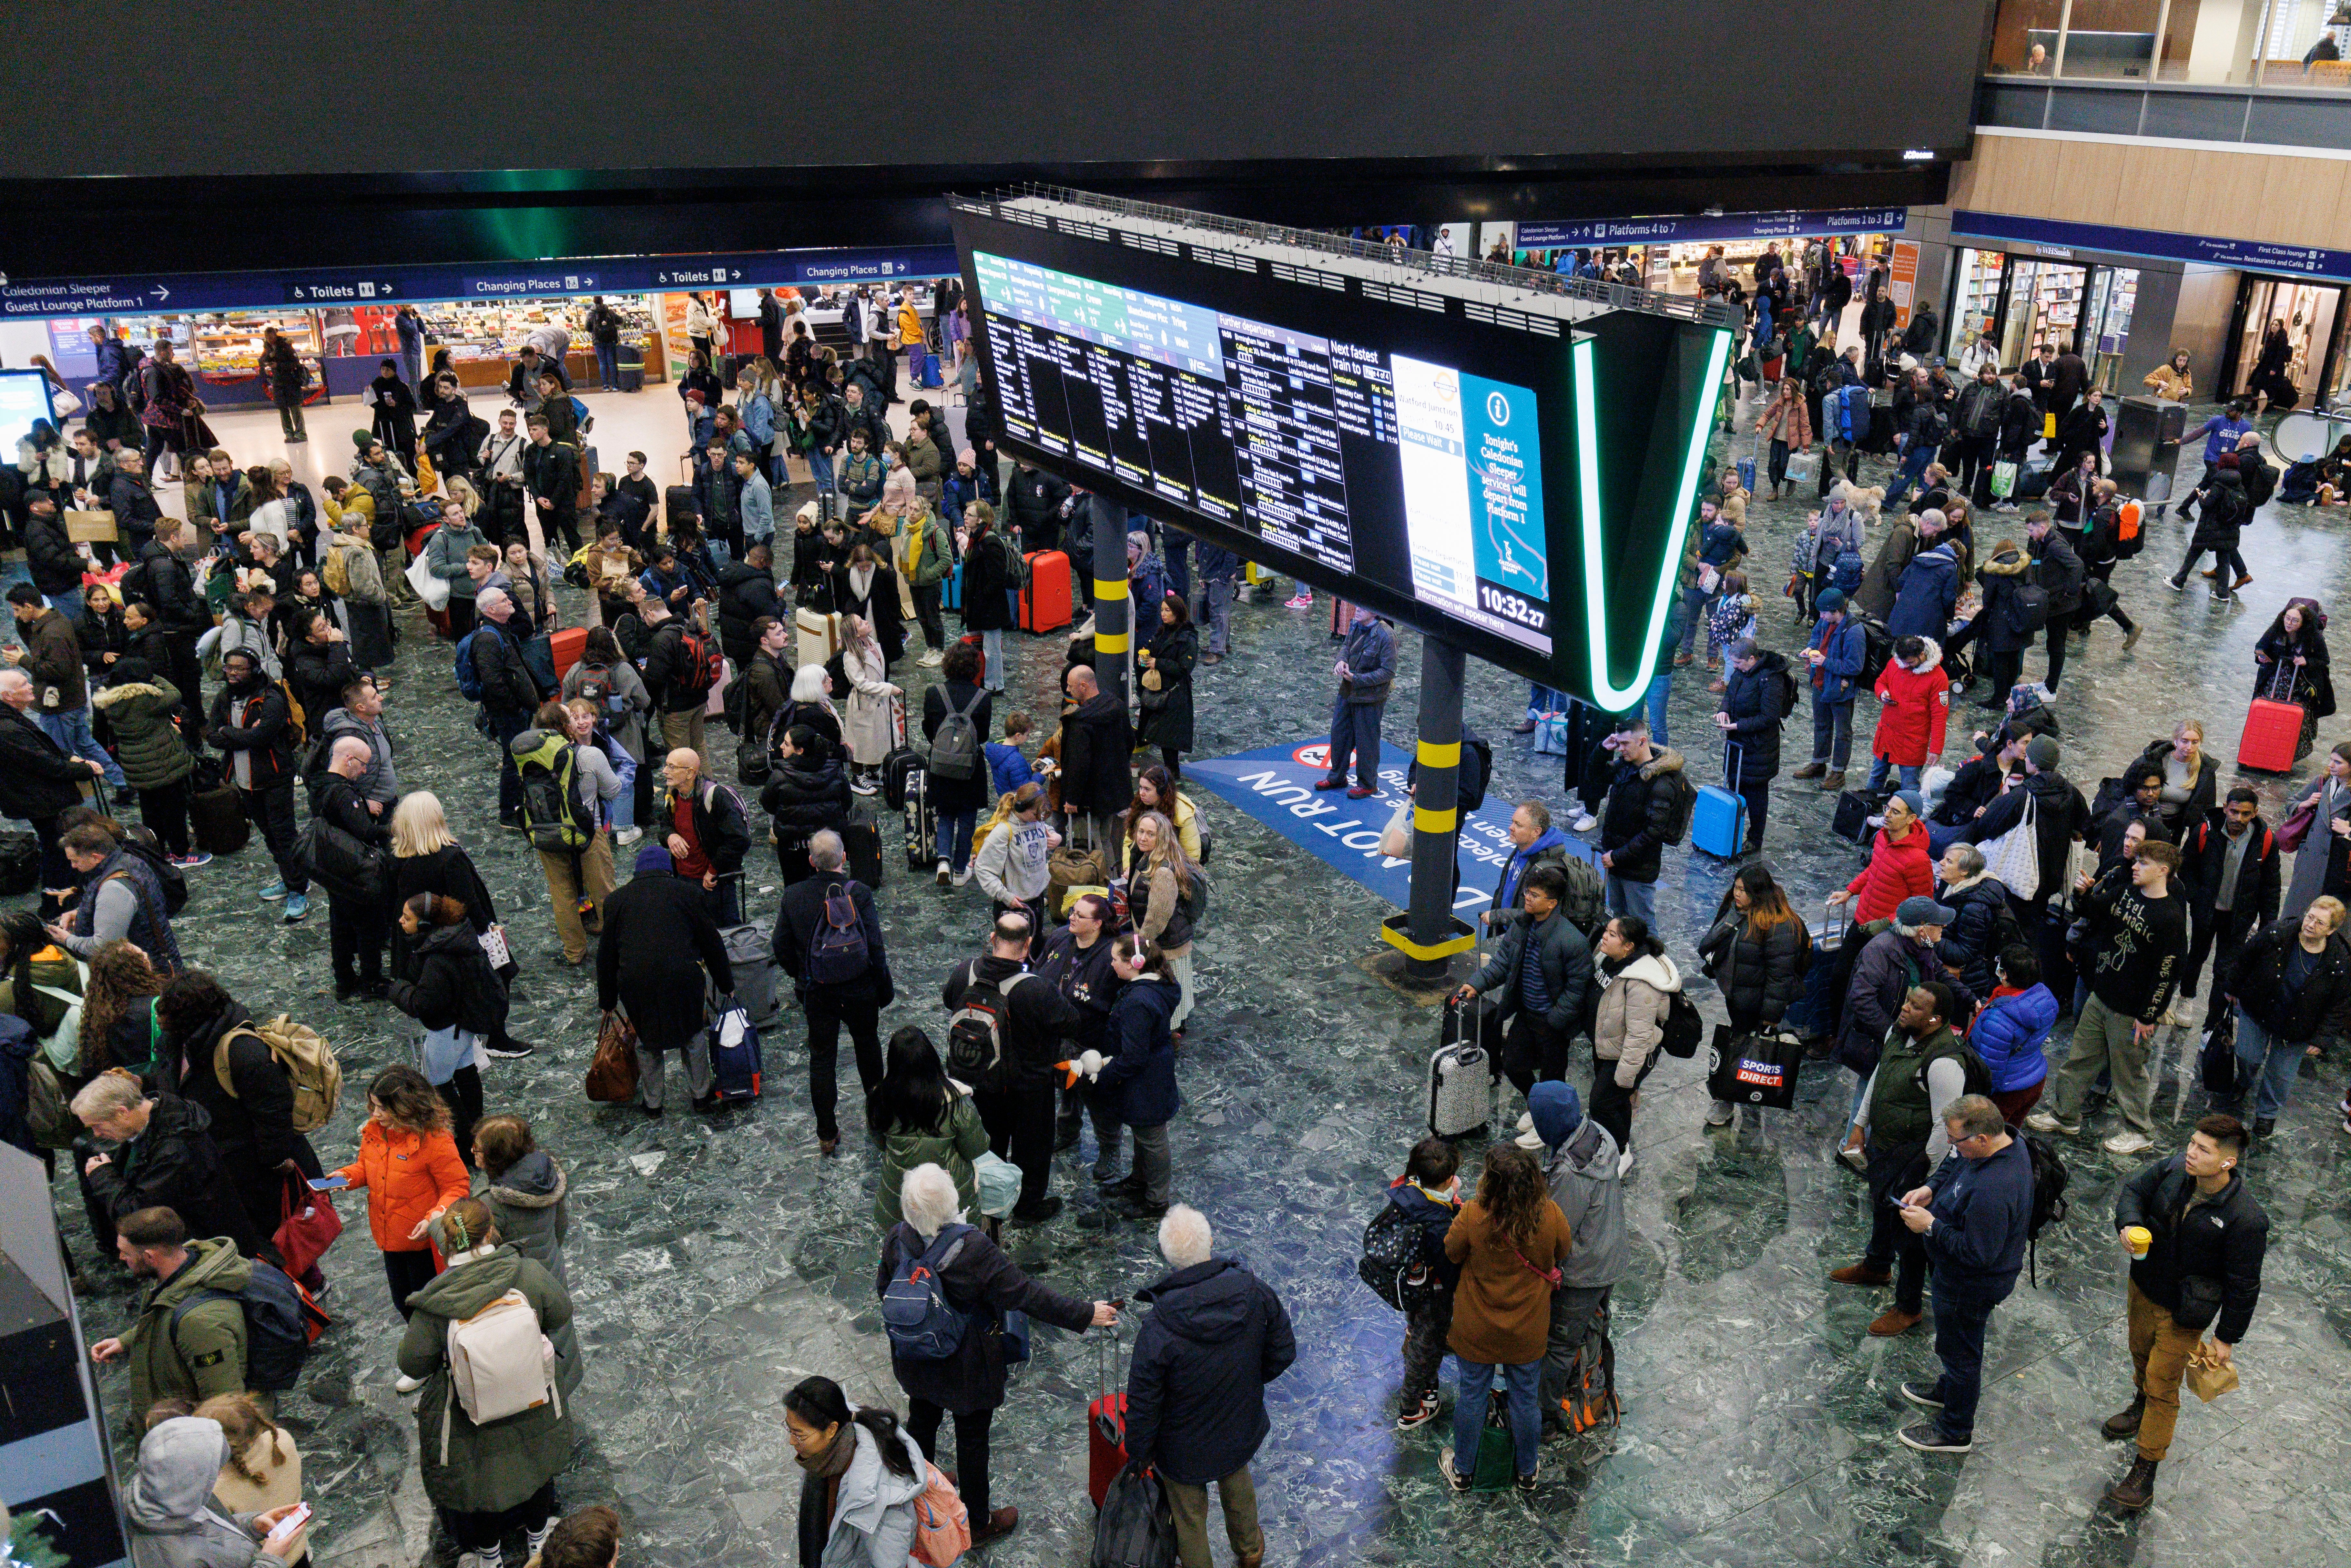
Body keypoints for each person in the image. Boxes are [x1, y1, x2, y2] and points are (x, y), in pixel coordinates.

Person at [876, 1164, 1116, 1550]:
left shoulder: (897, 1238)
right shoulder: (972, 1249)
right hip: (966, 1367)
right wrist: (1087, 1313)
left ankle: (921, 1486)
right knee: (972, 1440)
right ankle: (979, 1523)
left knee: (922, 1419)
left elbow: (884, 1290)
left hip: (915, 1359)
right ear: (951, 1200)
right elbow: (1027, 1295)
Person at [2100, 1114, 2267, 1509]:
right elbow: (2134, 1192)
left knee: (2164, 1385)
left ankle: (2146, 1469)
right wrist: (2129, 1223)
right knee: (2140, 1354)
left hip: (2184, 1312)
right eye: (2192, 1143)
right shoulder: (2176, 1167)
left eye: (2203, 1149)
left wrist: (2225, 1337)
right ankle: (2140, 1403)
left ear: (2228, 1162)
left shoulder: (2246, 1218)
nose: (2191, 1152)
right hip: (2143, 1287)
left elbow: (2245, 1284)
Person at [399, 1198, 574, 1568]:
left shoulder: (438, 1300)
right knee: (539, 1470)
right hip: (534, 1399)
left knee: (481, 1487)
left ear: (448, 1242)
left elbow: (411, 1362)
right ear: (492, 1230)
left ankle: (490, 1559)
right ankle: (538, 1542)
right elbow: (560, 1312)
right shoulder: (527, 1272)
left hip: (471, 1416)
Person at [1123, 1204, 1294, 1564]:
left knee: (1189, 1520)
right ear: (1211, 1242)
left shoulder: (1159, 1327)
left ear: (1169, 1257)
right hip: (1238, 1424)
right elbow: (1283, 1349)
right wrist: (1249, 1380)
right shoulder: (1253, 1290)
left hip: (1182, 1445)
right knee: (1238, 1484)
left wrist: (1140, 1453)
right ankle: (1250, 1552)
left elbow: (1144, 1401)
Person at [1878, 1093, 2036, 1455]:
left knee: (1963, 1354)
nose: (1951, 1145)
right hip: (1955, 1274)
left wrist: (1930, 1226)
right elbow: (1954, 1165)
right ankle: (1947, 1390)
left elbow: (1979, 1254)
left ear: (1981, 1138)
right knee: (1954, 1346)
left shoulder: (1996, 1188)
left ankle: (1955, 1430)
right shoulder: (1997, 1142)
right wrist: (1931, 1188)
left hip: (1971, 1285)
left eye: (1956, 1140)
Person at [1828, 980, 1978, 1341]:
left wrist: (1931, 1179)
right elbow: (1879, 1079)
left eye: (1916, 1006)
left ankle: (1909, 1307)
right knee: (1881, 1208)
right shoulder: (1899, 1034)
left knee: (1912, 1236)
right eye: (1908, 1001)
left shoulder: (1944, 1063)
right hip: (1885, 1147)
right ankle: (1877, 1265)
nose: (1905, 1008)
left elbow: (1947, 1126)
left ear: (1935, 1019)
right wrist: (1859, 1127)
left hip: (1916, 1158)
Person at [2027, 840, 2188, 1156]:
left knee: (2129, 1074)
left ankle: (2139, 1130)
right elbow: (2093, 911)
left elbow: (2167, 973)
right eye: (2137, 861)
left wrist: (2149, 1015)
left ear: (2163, 870)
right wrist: (2084, 893)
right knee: (2080, 1060)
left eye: (2143, 862)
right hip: (2101, 996)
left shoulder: (2170, 917)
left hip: (2131, 1013)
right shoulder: (2127, 892)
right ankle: (2065, 1114)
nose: (2135, 866)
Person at [1438, 1143, 1570, 1494]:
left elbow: (1451, 1252)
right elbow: (1564, 1251)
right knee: (1525, 1399)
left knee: (1473, 1395)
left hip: (1476, 1328)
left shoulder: (1473, 1215)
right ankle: (1528, 1472)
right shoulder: (1551, 1214)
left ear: (1490, 1183)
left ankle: (1464, 1471)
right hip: (1527, 1331)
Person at [153, 971, 316, 1249]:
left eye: (166, 1012)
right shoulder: (178, 1043)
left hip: (255, 1171)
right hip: (218, 1166)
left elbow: (274, 1113)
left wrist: (275, 1161)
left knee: (280, 1235)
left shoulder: (242, 1051)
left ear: (187, 1014)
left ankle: (304, 1284)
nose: (158, 1019)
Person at [768, 830, 891, 1155]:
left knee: (822, 1060)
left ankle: (826, 1133)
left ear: (811, 861)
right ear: (844, 858)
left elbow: (780, 946)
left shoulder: (793, 896)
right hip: (861, 988)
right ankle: (879, 1120)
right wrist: (884, 986)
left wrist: (802, 974)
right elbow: (875, 945)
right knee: (868, 1048)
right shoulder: (860, 893)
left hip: (817, 991)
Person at [324, 1064, 469, 1330]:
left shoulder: (436, 1140)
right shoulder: (375, 1130)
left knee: (430, 1311)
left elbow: (457, 1187)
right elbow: (368, 1168)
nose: (375, 1114)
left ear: (406, 1107)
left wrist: (433, 1219)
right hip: (390, 1237)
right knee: (402, 1303)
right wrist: (346, 1176)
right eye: (373, 1106)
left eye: (383, 1108)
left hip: (424, 1245)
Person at [597, 845, 733, 1115]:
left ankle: (653, 1103)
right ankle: (701, 1097)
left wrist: (608, 1000)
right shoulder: (689, 894)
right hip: (683, 980)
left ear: (637, 872)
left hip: (637, 983)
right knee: (692, 1035)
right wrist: (726, 985)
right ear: (668, 870)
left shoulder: (616, 901)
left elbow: (606, 956)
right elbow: (712, 944)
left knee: (647, 1041)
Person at [87, 1207, 253, 1418]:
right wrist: (127, 1340)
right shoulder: (175, 1274)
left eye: (126, 1253)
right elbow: (167, 1313)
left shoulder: (201, 1325)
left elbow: (224, 1404)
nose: (121, 1257)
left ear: (149, 1257)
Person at [1456, 863, 1594, 1101]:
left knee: (1553, 1077)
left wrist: (1556, 1020)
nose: (1528, 898)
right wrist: (1477, 983)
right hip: (1527, 1013)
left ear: (1552, 903)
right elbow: (1502, 964)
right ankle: (1538, 1104)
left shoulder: (1573, 941)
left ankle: (1550, 1118)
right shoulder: (1521, 927)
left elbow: (1578, 989)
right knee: (1512, 1065)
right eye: (1528, 892)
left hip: (1552, 1021)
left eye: (1535, 895)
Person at [2221, 896, 2351, 1135]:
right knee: (2247, 1056)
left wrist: (2322, 1040)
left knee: (2281, 1076)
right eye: (2309, 917)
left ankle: (2267, 1114)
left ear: (2332, 930)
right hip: (2260, 1009)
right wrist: (2232, 987)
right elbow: (2246, 959)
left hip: (2298, 1028)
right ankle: (2244, 1081)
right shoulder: (2277, 934)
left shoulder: (2339, 962)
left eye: (2320, 923)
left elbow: (2339, 1006)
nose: (2310, 925)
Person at [1698, 864, 1809, 1125]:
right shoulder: (1735, 910)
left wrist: (1771, 1016)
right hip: (1737, 995)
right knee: (1740, 1044)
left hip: (1758, 1003)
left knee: (1744, 1049)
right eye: (1736, 887)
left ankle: (1730, 1099)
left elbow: (1780, 976)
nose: (1737, 894)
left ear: (1758, 894)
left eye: (1743, 891)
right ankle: (1734, 1095)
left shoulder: (1778, 924)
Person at [514, 701, 621, 966]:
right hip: (588, 831)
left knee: (562, 893)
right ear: (566, 726)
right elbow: (614, 790)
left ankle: (574, 952)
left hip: (546, 834)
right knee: (603, 890)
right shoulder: (589, 755)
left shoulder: (528, 757)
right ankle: (617, 946)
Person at [123, 1414, 308, 1568]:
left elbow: (208, 1528)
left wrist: (252, 1526)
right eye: (210, 1470)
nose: (218, 1474)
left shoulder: (170, 1494)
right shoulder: (179, 1560)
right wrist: (270, 1561)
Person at [783, 1376, 925, 1568]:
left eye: (799, 1434)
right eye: (789, 1429)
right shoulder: (826, 1451)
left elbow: (892, 1562)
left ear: (832, 1430)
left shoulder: (876, 1501)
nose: (792, 1441)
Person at [1958, 734, 2091, 924]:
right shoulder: (2071, 792)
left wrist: (2003, 799)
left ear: (2034, 764)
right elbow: (2085, 826)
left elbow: (1987, 826)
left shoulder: (2023, 795)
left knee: (2014, 925)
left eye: (2028, 757)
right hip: (2052, 877)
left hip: (2021, 877)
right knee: (2035, 923)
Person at [2179, 788, 2281, 1026]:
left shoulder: (2265, 842)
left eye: (2245, 814)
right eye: (2233, 812)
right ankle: (2186, 998)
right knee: (2196, 955)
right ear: (2225, 808)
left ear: (2255, 813)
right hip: (2206, 911)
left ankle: (2212, 1024)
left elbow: (2271, 885)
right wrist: (2196, 898)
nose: (2238, 819)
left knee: (2225, 970)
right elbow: (2186, 868)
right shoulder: (2204, 832)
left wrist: (2268, 924)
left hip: (2240, 916)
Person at [51, 818, 184, 975]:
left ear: (96, 857)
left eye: (75, 861)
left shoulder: (114, 888)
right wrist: (79, 913)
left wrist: (67, 939)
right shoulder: (131, 861)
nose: (73, 866)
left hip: (145, 974)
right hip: (162, 961)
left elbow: (104, 947)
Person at [1591, 718, 1684, 924]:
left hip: (1637, 869)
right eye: (1619, 743)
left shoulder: (1661, 783)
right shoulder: (1626, 765)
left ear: (1643, 742)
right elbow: (1595, 778)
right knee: (1620, 920)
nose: (1621, 749)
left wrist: (1618, 857)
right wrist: (1603, 750)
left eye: (1625, 744)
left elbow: (1654, 833)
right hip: (1616, 860)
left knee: (1642, 926)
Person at [921, 641, 993, 886]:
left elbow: (929, 730)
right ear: (975, 667)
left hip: (941, 764)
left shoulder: (934, 692)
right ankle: (961, 870)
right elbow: (982, 735)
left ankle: (943, 860)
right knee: (967, 817)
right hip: (969, 767)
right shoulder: (983, 698)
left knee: (944, 814)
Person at [1313, 605, 1395, 798]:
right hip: (1347, 691)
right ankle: (1337, 777)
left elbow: (1388, 672)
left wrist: (1357, 679)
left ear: (1375, 612)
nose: (1357, 609)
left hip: (1370, 698)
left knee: (1367, 741)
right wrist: (1340, 661)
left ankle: (1368, 784)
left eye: (1363, 608)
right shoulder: (1355, 625)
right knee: (1339, 734)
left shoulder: (1387, 636)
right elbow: (1346, 648)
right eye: (1357, 605)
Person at [1790, 587, 1866, 791]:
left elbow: (1855, 667)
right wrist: (1810, 649)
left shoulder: (1854, 632)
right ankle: (1819, 762)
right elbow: (1816, 639)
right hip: (1820, 683)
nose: (1821, 617)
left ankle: (1839, 772)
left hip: (1840, 689)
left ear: (1837, 611)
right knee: (1821, 725)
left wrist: (1825, 662)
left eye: (1824, 613)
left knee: (1843, 732)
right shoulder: (1826, 622)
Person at [1058, 664, 1132, 849]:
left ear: (1084, 686)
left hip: (1088, 798)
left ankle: (1100, 877)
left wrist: (1072, 799)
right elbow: (1130, 741)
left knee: (1090, 841)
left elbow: (1078, 764)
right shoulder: (1117, 707)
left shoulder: (1080, 723)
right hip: (1115, 790)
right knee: (1107, 838)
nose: (1067, 690)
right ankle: (1113, 876)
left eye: (1071, 686)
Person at [1834, 789, 1936, 923]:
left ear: (1911, 819)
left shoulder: (1919, 860)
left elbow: (1922, 904)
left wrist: (1885, 924)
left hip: (1888, 931)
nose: (1887, 815)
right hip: (1863, 917)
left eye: (1895, 812)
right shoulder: (1882, 836)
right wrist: (1850, 892)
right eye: (1887, 808)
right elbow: (1875, 869)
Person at [2253, 599, 2335, 756]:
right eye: (2287, 618)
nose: (2289, 623)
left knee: (2295, 717)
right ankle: (2263, 748)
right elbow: (2260, 647)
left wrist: (2307, 661)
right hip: (2275, 675)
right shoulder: (2277, 629)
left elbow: (2324, 660)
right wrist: (2261, 656)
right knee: (2268, 712)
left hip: (2300, 681)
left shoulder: (2314, 636)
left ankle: (2289, 754)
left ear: (2303, 623)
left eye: (2295, 620)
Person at [974, 781, 1057, 932]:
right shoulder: (1004, 832)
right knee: (1014, 953)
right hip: (1013, 905)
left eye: (1042, 815)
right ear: (1021, 808)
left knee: (1035, 946)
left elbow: (1046, 828)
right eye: (1036, 814)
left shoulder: (1035, 821)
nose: (1040, 818)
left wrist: (1056, 837)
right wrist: (1005, 897)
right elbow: (983, 869)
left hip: (1036, 899)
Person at [2169, 453, 2253, 602]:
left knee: (2194, 553)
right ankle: (2222, 593)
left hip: (2210, 527)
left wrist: (2202, 497)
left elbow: (2207, 505)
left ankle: (2178, 581)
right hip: (2229, 529)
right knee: (2224, 559)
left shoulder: (2219, 483)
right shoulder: (2239, 482)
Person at [1138, 593, 1199, 779]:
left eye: (1168, 611)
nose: (1163, 614)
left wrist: (1158, 663)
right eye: (1162, 610)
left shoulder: (1187, 638)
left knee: (1169, 739)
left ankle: (1173, 774)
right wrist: (1145, 659)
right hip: (1157, 690)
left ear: (1178, 613)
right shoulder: (1162, 632)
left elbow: (1184, 668)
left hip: (1175, 694)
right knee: (1154, 731)